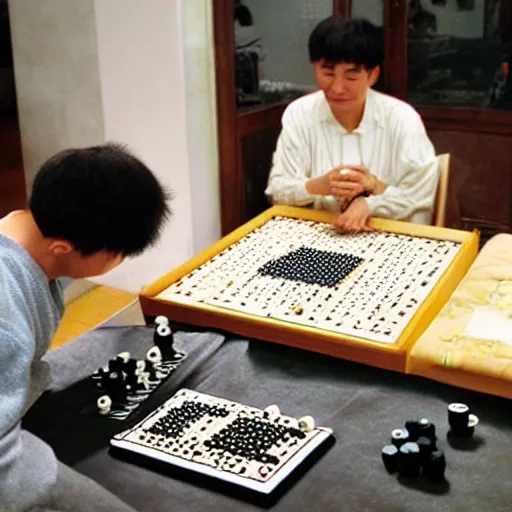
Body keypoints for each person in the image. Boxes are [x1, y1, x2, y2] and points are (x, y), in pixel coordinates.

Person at [0, 144, 171, 511]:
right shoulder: (5, 317)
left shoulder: (25, 233)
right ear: (63, 248)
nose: (118, 260)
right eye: (114, 254)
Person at [265, 17, 439, 233]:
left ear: (373, 74)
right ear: (314, 68)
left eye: (351, 76)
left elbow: (419, 195)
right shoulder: (299, 114)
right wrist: (320, 186)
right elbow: (278, 189)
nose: (337, 88)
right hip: (317, 233)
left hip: (384, 235)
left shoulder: (402, 118)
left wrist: (370, 200)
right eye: (328, 73)